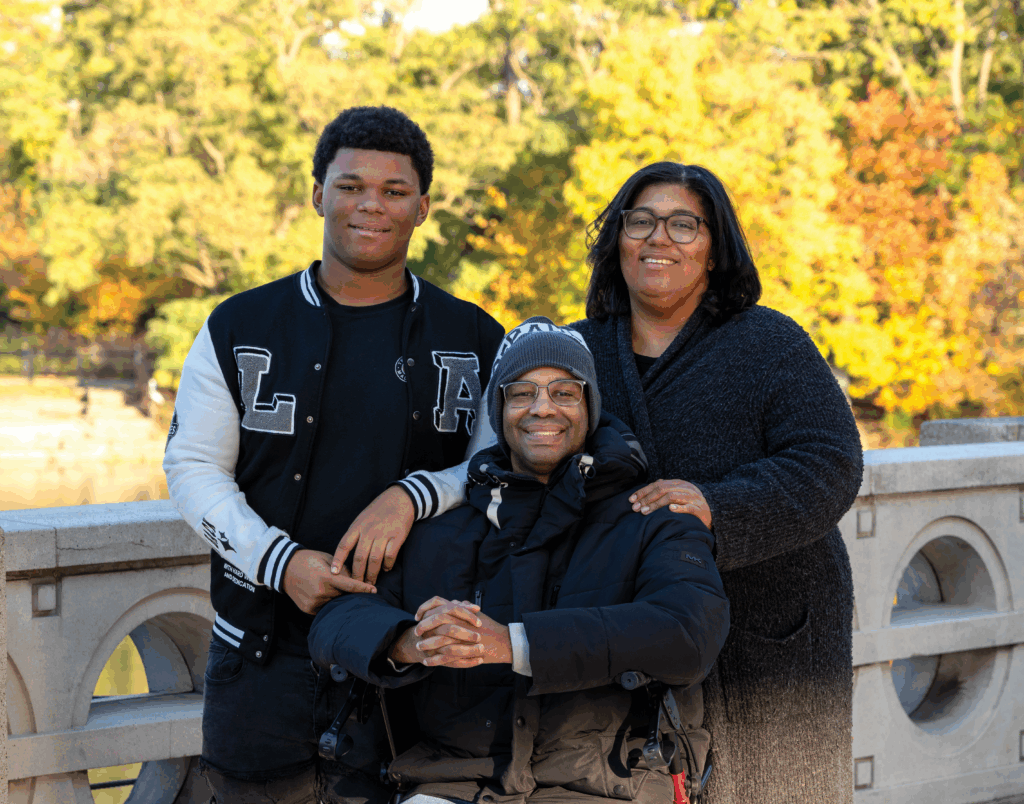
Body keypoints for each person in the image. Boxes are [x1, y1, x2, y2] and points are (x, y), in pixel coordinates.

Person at [338, 163, 864, 803]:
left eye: (683, 224)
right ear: (617, 240)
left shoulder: (768, 342)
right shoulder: (577, 351)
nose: (658, 239)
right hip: (626, 615)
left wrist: (716, 507)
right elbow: (496, 457)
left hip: (765, 620)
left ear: (715, 245)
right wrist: (410, 496)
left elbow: (830, 460)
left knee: (773, 789)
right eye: (639, 222)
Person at [163, 105, 505, 803]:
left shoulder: (472, 336)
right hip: (262, 662)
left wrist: (414, 494)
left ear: (423, 207)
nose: (370, 205)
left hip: (414, 668)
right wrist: (278, 562)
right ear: (318, 194)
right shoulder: (240, 324)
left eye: (393, 190)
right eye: (350, 186)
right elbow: (191, 467)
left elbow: (497, 474)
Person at [310, 317, 730, 804]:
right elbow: (335, 619)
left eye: (564, 393)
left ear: (590, 407)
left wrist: (513, 643)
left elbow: (690, 632)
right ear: (499, 410)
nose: (542, 409)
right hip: (454, 781)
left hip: (608, 786)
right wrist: (409, 641)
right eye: (522, 393)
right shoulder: (443, 529)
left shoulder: (650, 516)